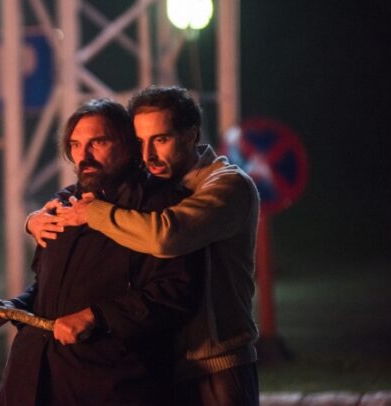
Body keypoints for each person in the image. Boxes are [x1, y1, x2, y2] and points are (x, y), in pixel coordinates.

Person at [27, 86, 260, 406]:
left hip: (214, 365)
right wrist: (35, 219)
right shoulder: (156, 187)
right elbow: (89, 190)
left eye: (160, 139)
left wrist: (91, 213)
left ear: (191, 135)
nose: (148, 155)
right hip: (163, 367)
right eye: (139, 142)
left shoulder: (226, 185)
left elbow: (165, 235)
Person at [0, 98, 205, 405]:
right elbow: (45, 288)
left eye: (99, 142)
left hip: (110, 386)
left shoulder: (159, 207)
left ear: (128, 146)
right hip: (31, 383)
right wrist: (10, 307)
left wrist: (96, 316)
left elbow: (176, 293)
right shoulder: (62, 204)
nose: (85, 155)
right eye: (76, 145)